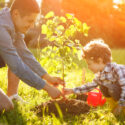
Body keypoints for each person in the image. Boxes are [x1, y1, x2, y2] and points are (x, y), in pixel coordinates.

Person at [0, 0, 64, 112]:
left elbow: (25, 54)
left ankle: (12, 96)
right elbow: (17, 67)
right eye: (30, 21)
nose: (32, 26)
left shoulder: (12, 23)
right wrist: (47, 88)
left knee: (17, 55)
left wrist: (48, 78)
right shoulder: (2, 29)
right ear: (16, 14)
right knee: (5, 107)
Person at [64, 39, 125, 116]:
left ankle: (122, 109)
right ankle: (114, 108)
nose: (88, 67)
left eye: (89, 64)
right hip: (120, 96)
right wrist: (72, 91)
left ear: (99, 60)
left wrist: (121, 105)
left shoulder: (117, 69)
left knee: (111, 88)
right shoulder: (100, 75)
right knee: (103, 87)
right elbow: (90, 86)